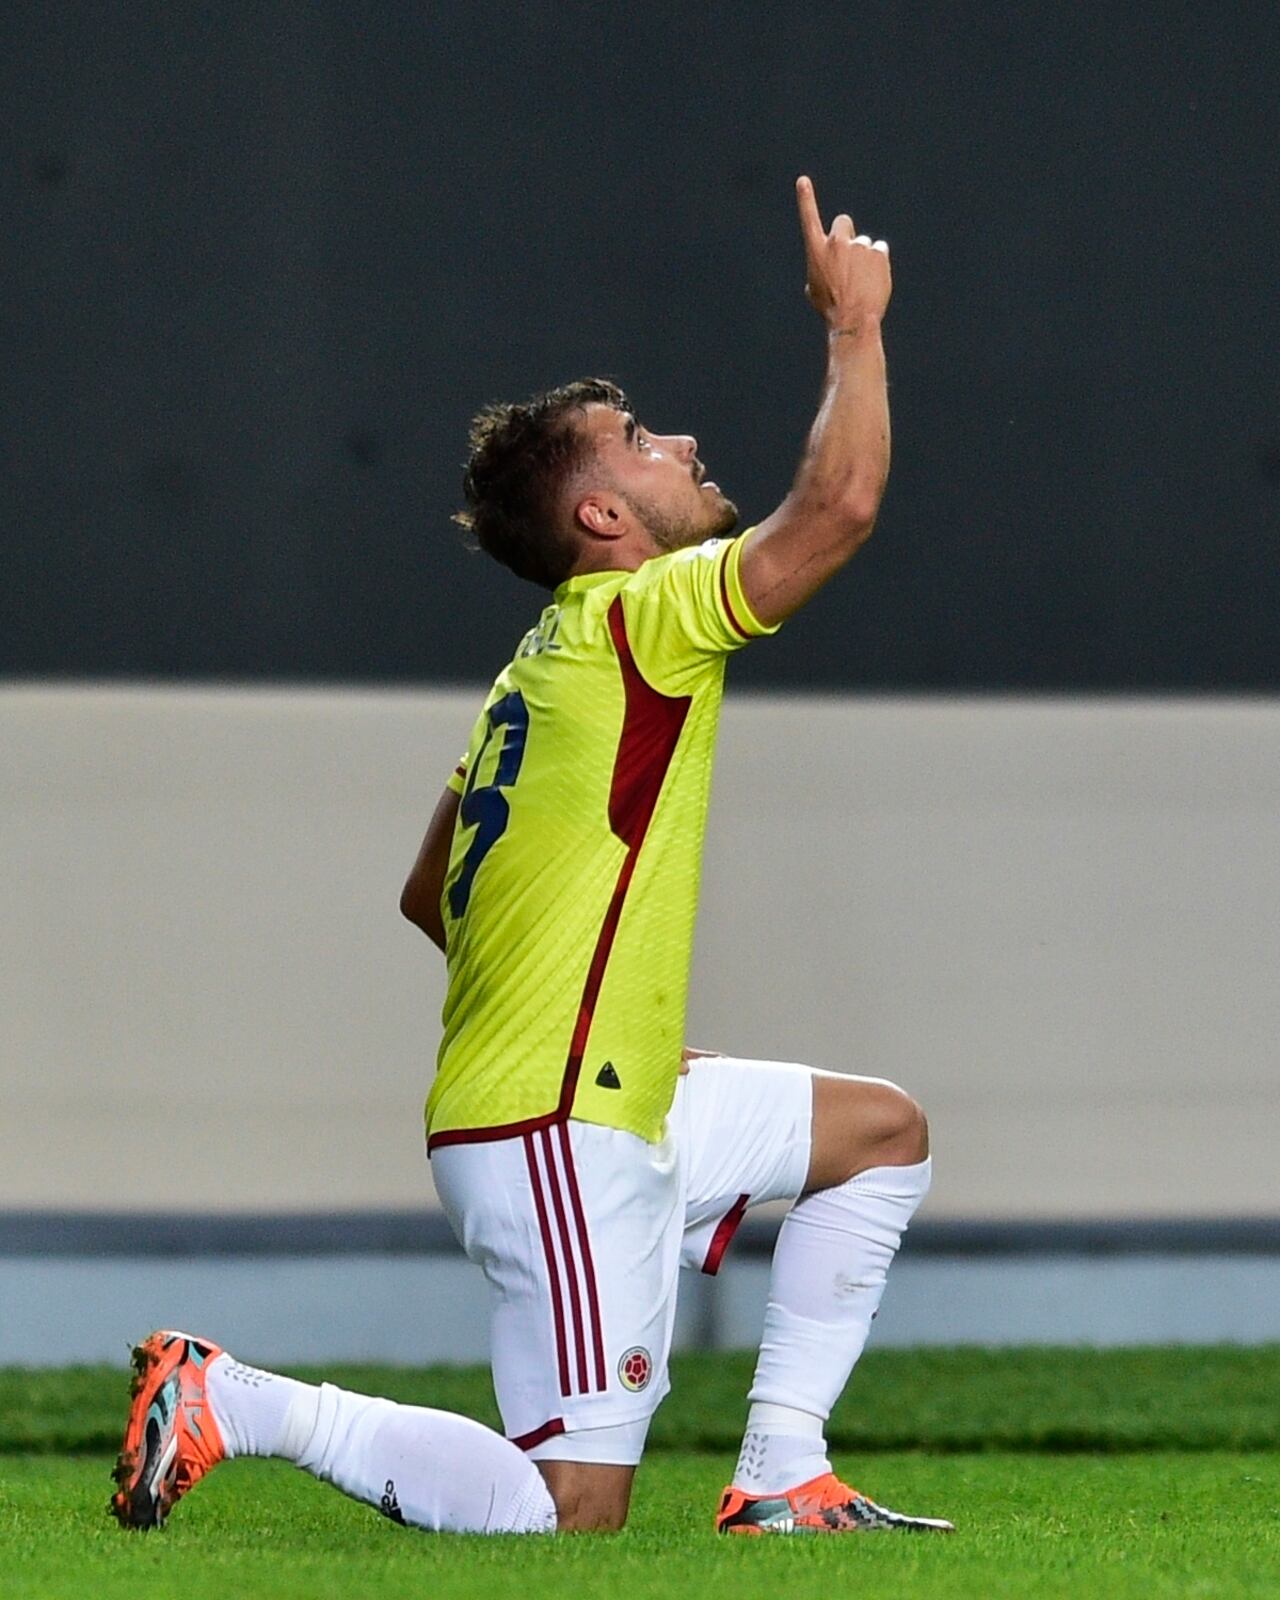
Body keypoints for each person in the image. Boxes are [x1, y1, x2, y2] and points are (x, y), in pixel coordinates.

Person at [111, 176, 951, 1538]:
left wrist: (593, 1017)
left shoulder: (533, 670)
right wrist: (853, 327)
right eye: (638, 438)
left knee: (879, 1135)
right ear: (605, 523)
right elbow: (840, 506)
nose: (676, 440)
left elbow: (424, 888)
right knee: (570, 1518)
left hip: (596, 1093)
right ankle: (239, 1399)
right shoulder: (645, 617)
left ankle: (783, 1475)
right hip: (560, 1128)